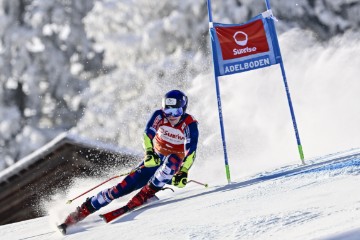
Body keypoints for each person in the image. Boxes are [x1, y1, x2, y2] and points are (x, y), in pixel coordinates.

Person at [60, 89, 199, 228]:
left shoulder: (189, 124)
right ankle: (82, 211)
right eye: (168, 111)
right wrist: (149, 153)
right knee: (120, 188)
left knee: (173, 160)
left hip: (174, 165)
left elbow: (190, 151)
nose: (172, 116)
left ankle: (147, 194)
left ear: (184, 109)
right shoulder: (160, 116)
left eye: (176, 112)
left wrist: (184, 171)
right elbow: (147, 135)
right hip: (155, 158)